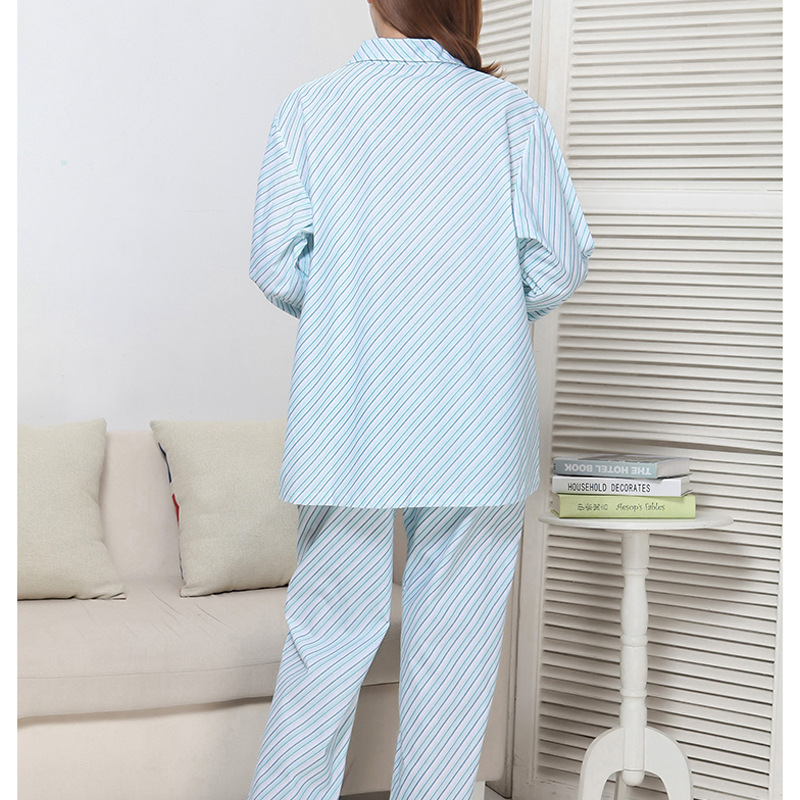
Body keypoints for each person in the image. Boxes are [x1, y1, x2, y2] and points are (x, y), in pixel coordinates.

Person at [246, 1, 594, 798]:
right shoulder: (509, 115)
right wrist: (483, 308)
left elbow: (275, 263)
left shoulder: (311, 110)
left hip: (350, 412)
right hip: (477, 414)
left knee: (324, 641)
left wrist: (350, 308)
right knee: (454, 659)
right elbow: (559, 264)